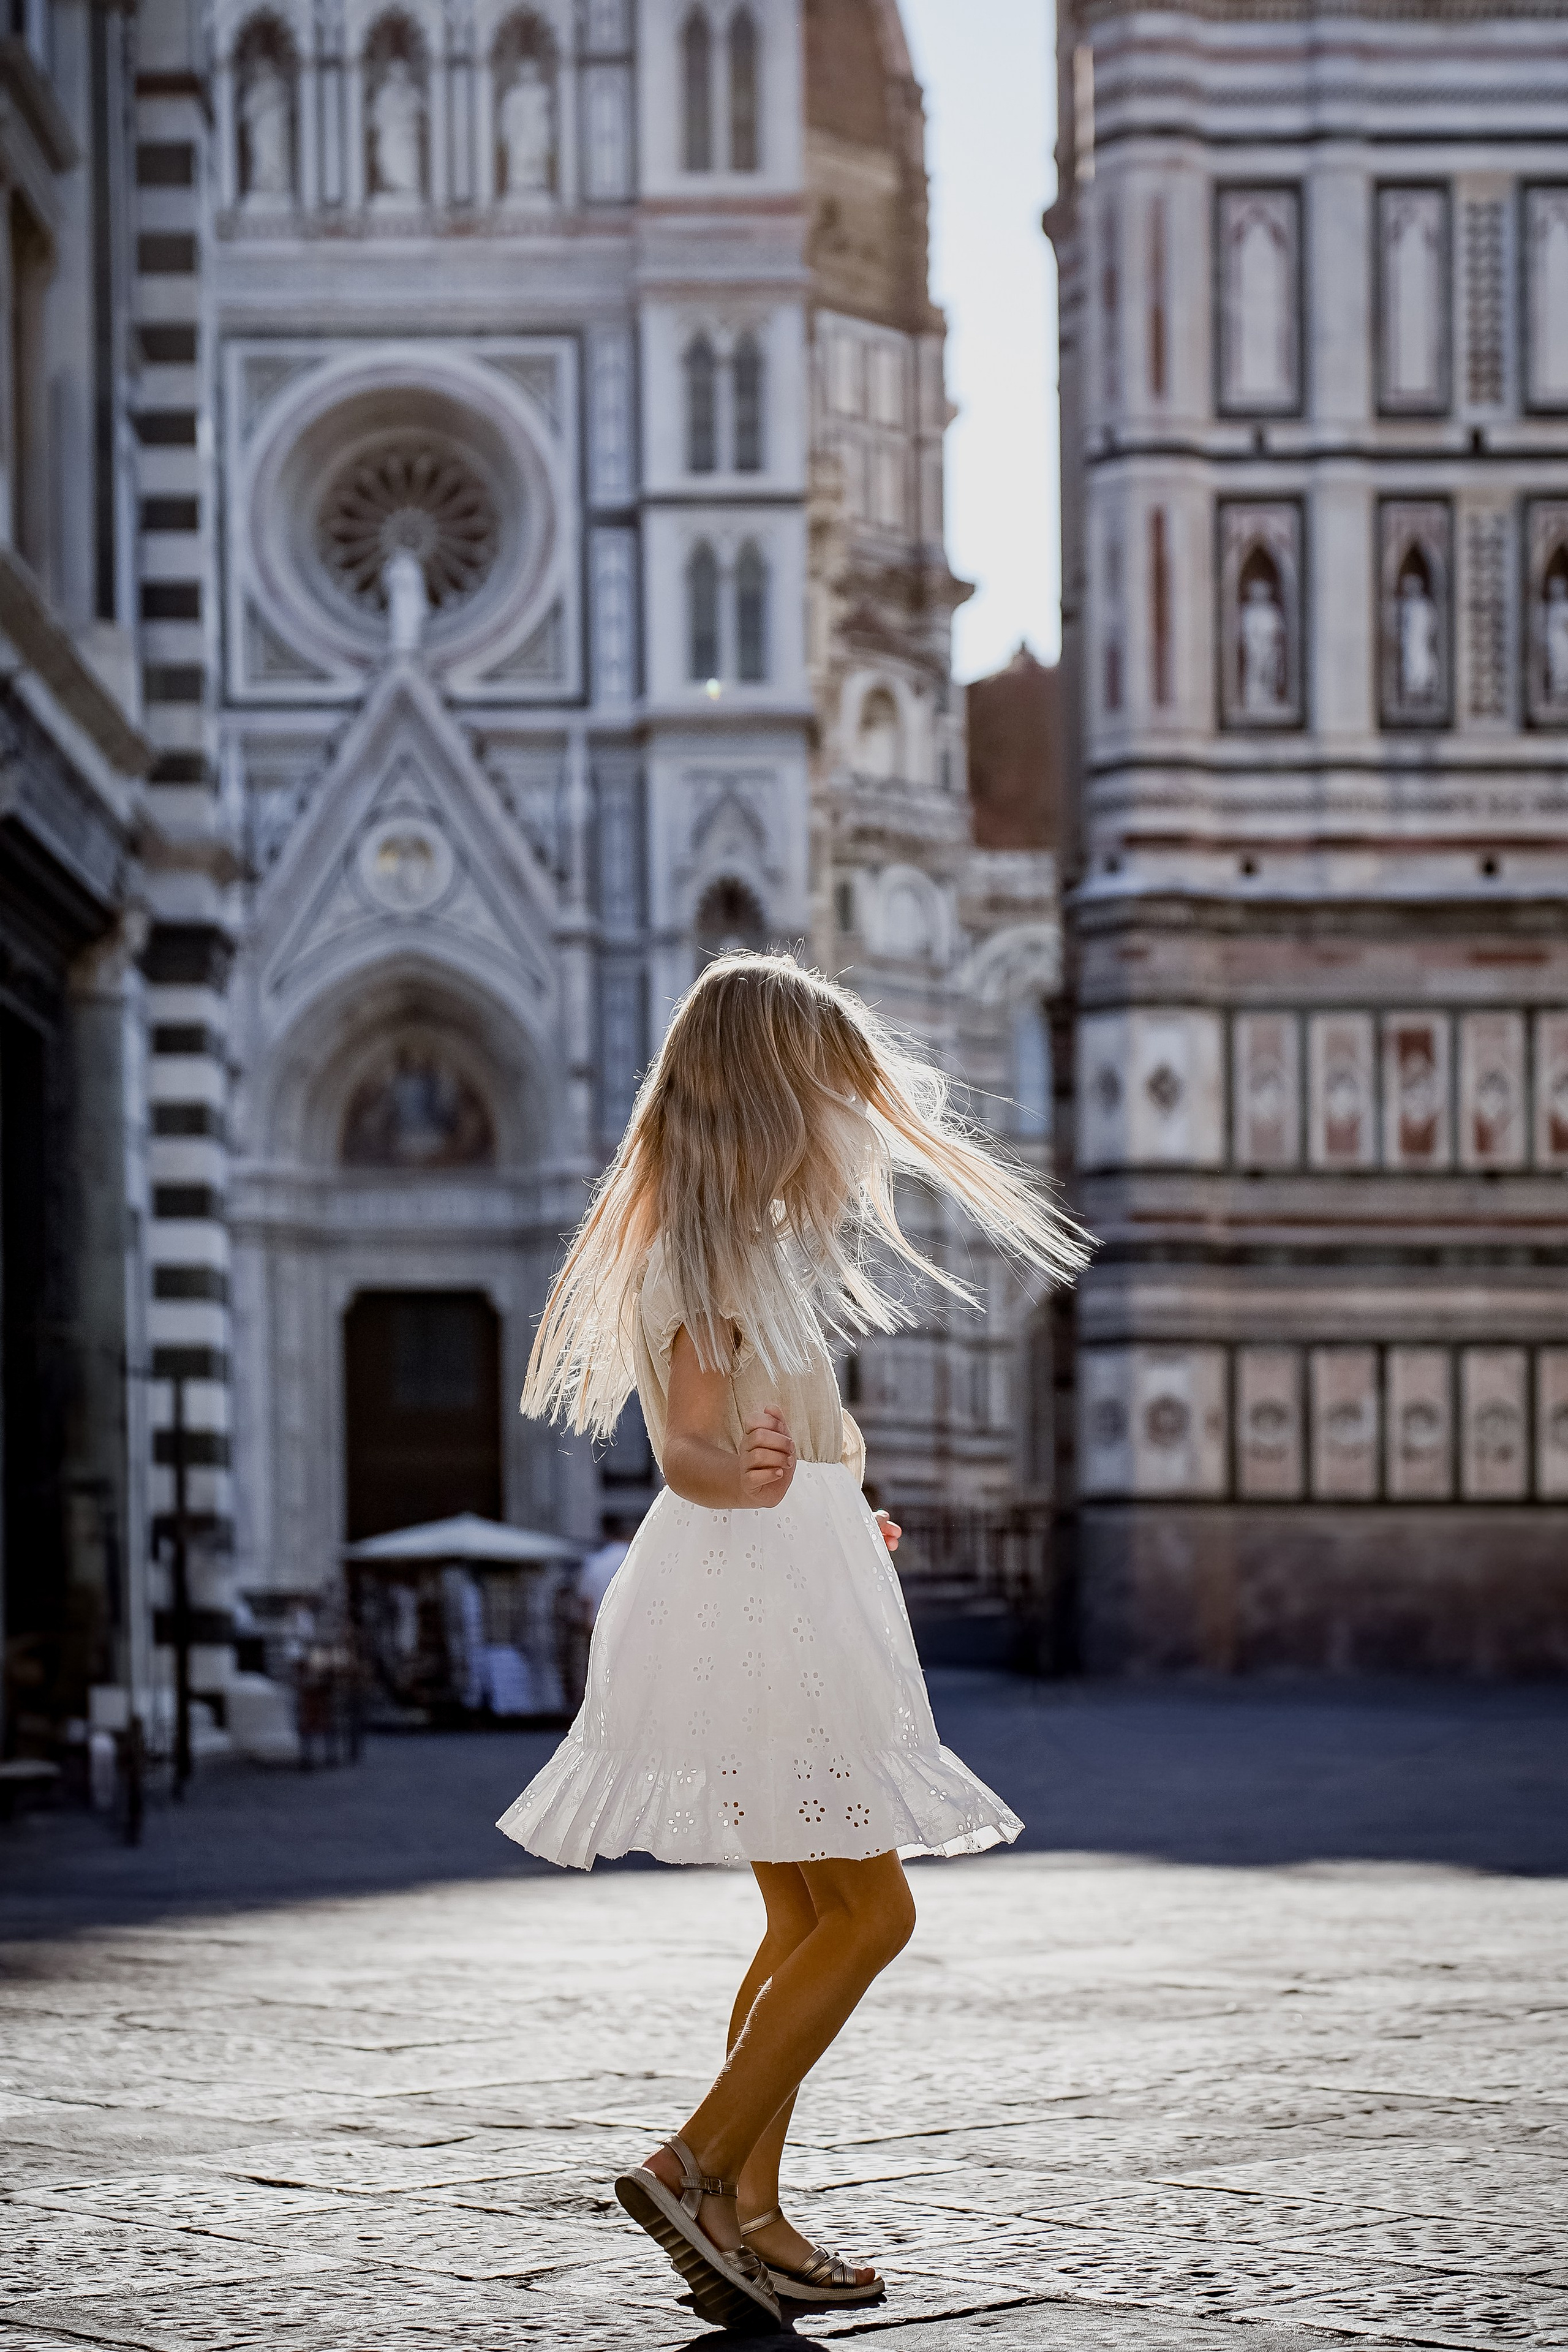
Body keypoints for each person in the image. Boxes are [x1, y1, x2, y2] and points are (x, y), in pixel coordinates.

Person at [497, 953, 1089, 2332]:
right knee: (875, 1910)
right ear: (770, 1093)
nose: (845, 1123)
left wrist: (829, 1492)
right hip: (761, 1598)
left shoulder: (737, 1240)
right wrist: (758, 1482)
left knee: (804, 1913)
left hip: (787, 1577)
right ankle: (692, 2166)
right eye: (827, 1090)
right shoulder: (706, 1249)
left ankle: (748, 2219)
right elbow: (687, 1447)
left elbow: (762, 1428)